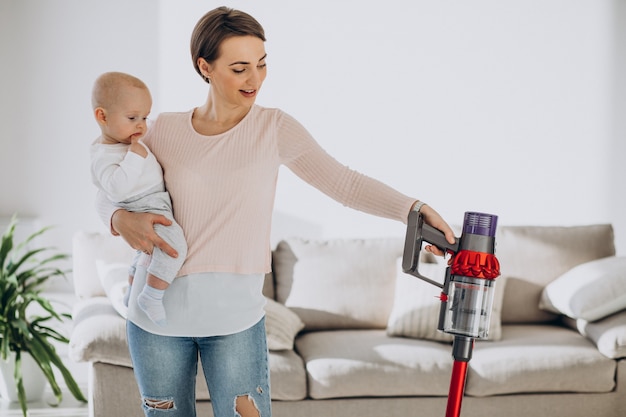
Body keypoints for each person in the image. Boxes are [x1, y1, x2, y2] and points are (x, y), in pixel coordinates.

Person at [95, 7, 456, 417]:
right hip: (155, 321)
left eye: (262, 64)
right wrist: (117, 219)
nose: (255, 79)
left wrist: (414, 209)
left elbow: (346, 184)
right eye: (239, 68)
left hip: (235, 320)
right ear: (205, 67)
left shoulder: (275, 128)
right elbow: (108, 182)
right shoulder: (162, 129)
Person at [91, 71, 187, 326]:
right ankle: (152, 296)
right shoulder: (104, 154)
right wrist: (135, 155)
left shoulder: (128, 142)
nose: (142, 125)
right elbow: (114, 190)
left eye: (145, 117)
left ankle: (131, 288)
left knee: (144, 254)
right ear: (102, 116)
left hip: (153, 200)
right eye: (133, 117)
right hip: (143, 203)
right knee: (175, 247)